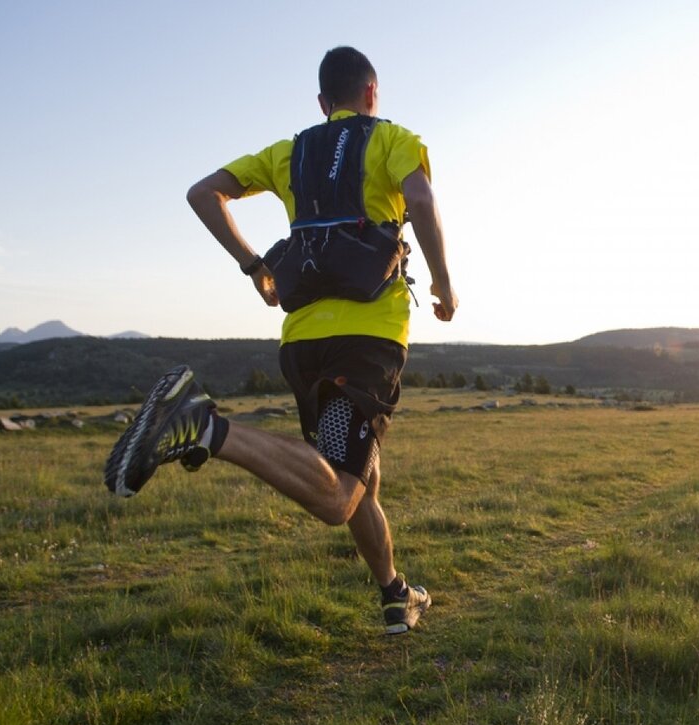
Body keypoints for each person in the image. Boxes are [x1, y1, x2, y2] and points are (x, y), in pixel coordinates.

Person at [105, 46, 457, 635]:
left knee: (362, 479)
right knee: (338, 493)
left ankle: (396, 594)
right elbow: (419, 200)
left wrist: (253, 266)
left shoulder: (288, 152)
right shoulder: (394, 138)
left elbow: (203, 193)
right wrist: (445, 287)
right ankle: (204, 425)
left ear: (323, 103)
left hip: (302, 343)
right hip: (367, 339)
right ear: (372, 93)